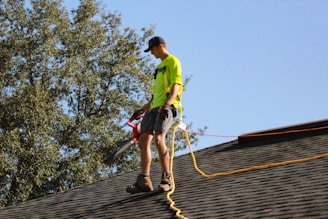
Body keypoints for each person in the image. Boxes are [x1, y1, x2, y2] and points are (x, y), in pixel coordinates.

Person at [126, 36, 183, 193]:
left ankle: (167, 179)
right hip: (153, 108)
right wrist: (142, 110)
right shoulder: (159, 68)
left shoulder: (173, 61)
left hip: (165, 108)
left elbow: (176, 86)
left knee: (159, 139)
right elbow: (154, 97)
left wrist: (167, 105)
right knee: (143, 140)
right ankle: (144, 180)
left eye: (152, 49)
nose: (151, 52)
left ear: (161, 46)